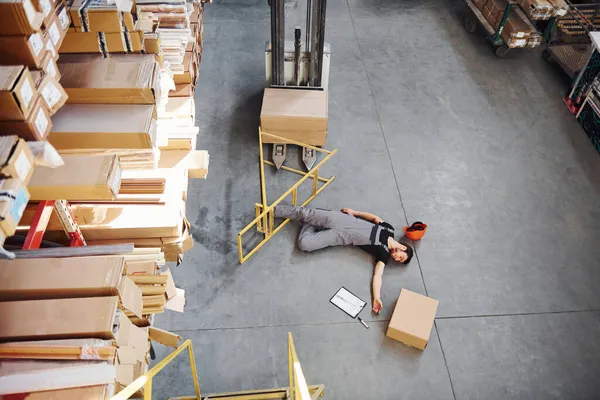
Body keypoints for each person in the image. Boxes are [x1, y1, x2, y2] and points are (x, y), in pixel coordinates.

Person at [273, 205, 414, 314]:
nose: (396, 258)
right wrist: (355, 213)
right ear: (402, 247)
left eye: (398, 261)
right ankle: (274, 210)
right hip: (344, 220)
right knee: (304, 213)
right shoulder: (389, 230)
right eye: (400, 257)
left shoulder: (384, 254)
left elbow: (378, 275)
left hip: (341, 237)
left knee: (305, 244)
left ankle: (312, 223)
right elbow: (375, 218)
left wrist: (377, 297)